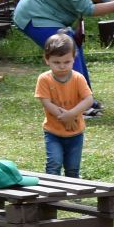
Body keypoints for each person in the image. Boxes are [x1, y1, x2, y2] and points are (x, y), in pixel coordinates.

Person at [36, 33, 91, 175]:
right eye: (57, 62)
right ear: (47, 60)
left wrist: (72, 115)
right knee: (54, 163)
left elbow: (88, 99)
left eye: (67, 62)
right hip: (53, 131)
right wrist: (65, 117)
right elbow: (45, 102)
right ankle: (51, 195)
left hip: (76, 132)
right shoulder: (44, 79)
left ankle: (73, 196)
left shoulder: (78, 78)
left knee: (73, 168)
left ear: (74, 59)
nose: (62, 66)